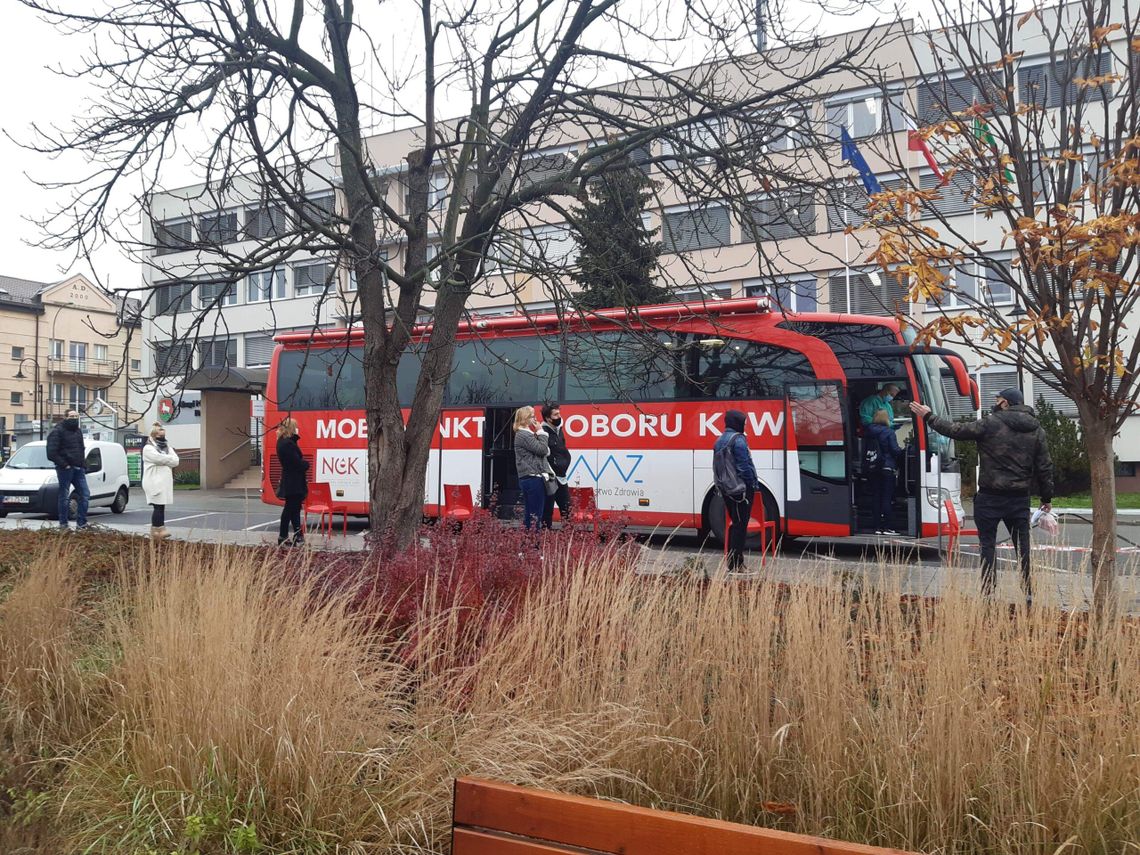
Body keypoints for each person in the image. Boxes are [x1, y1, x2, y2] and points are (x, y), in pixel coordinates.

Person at [910, 388, 1054, 601]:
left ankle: (988, 593)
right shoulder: (1036, 430)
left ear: (1005, 403)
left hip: (989, 497)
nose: (995, 403)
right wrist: (1046, 498)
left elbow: (955, 430)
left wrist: (929, 416)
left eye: (997, 400)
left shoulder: (991, 423)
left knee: (987, 545)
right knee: (1023, 546)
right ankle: (1028, 592)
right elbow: (1045, 467)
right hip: (1019, 498)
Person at [713, 409, 761, 572]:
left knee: (735, 523)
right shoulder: (738, 440)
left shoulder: (720, 440)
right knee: (741, 526)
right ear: (737, 422)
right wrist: (750, 484)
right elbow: (743, 466)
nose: (745, 425)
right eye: (744, 421)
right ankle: (736, 564)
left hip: (727, 489)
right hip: (740, 490)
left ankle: (734, 562)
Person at [45, 409, 89, 531]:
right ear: (65, 417)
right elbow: (51, 453)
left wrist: (83, 464)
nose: (74, 418)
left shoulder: (78, 431)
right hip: (65, 469)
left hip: (78, 468)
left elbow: (81, 448)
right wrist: (65, 465)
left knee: (85, 495)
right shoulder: (57, 431)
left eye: (76, 416)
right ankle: (63, 524)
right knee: (64, 496)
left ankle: (82, 524)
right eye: (71, 416)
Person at [513, 405, 552, 531]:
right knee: (536, 515)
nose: (535, 418)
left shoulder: (525, 434)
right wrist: (541, 432)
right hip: (533, 479)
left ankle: (527, 545)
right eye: (533, 416)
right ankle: (534, 546)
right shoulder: (524, 435)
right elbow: (542, 449)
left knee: (530, 514)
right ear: (526, 418)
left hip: (530, 478)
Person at [865, 409, 903, 535]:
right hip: (887, 467)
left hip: (873, 467)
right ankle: (887, 527)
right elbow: (894, 450)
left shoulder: (869, 431)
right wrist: (902, 451)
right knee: (886, 497)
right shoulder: (889, 432)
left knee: (876, 496)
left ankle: (876, 527)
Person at [141, 422, 179, 541]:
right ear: (153, 435)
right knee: (157, 505)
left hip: (164, 483)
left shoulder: (168, 447)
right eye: (159, 433)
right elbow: (158, 458)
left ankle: (156, 531)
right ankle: (159, 528)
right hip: (153, 481)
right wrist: (168, 459)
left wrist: (165, 459)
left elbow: (176, 461)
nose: (161, 435)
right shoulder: (148, 448)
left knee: (161, 506)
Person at [275, 417, 309, 546]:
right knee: (290, 510)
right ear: (291, 428)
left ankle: (298, 535)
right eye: (295, 427)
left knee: (294, 509)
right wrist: (306, 464)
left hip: (291, 481)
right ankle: (283, 536)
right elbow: (296, 463)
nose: (296, 429)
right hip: (293, 482)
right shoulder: (287, 444)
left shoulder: (283, 442)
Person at [540, 402, 571, 529]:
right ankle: (546, 538)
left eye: (559, 413)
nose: (559, 416)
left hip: (561, 476)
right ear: (548, 418)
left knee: (567, 509)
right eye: (556, 414)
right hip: (550, 478)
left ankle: (567, 538)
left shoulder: (559, 430)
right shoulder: (543, 433)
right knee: (547, 511)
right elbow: (542, 455)